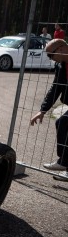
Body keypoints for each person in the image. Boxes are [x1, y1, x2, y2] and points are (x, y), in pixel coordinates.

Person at [29, 38, 68, 181]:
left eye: (51, 55)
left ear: (61, 49)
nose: (50, 59)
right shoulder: (61, 65)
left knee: (63, 123)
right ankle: (65, 164)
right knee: (62, 123)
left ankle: (64, 162)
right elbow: (55, 88)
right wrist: (43, 110)